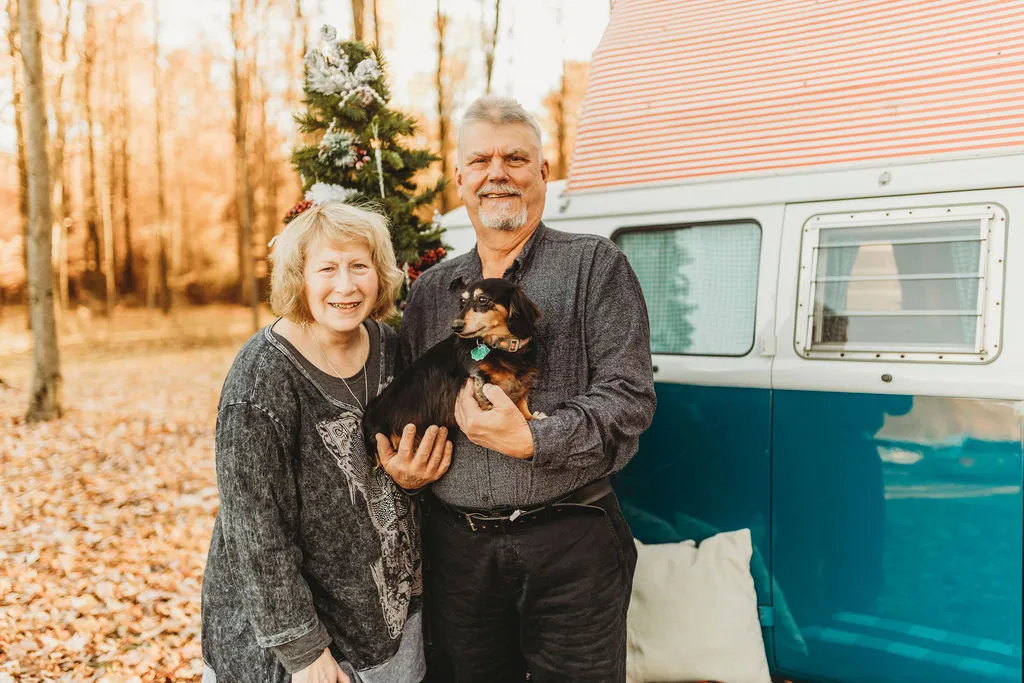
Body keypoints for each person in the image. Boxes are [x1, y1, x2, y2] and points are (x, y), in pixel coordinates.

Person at [390, 95, 657, 682]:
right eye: (480, 160)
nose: (497, 173)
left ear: (543, 172)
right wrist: (404, 472)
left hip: (572, 544)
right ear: (459, 178)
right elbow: (412, 406)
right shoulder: (433, 292)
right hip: (457, 554)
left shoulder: (596, 267)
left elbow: (630, 396)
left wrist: (536, 438)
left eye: (515, 157)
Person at [201, 202, 452, 683]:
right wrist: (303, 651)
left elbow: (402, 466)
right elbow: (254, 532)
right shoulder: (262, 379)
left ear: (379, 274)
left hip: (387, 628)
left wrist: (410, 480)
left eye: (359, 266)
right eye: (327, 269)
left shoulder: (392, 348)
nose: (345, 285)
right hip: (295, 649)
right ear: (300, 278)